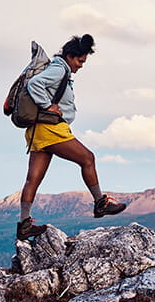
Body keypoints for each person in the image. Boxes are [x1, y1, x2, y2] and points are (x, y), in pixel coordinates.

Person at [17, 34, 126, 240]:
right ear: (70, 56)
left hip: (38, 130)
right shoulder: (59, 69)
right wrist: (47, 105)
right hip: (51, 129)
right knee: (87, 158)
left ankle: (24, 224)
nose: (81, 65)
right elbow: (35, 84)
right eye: (80, 60)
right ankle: (100, 204)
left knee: (33, 179)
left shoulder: (61, 69)